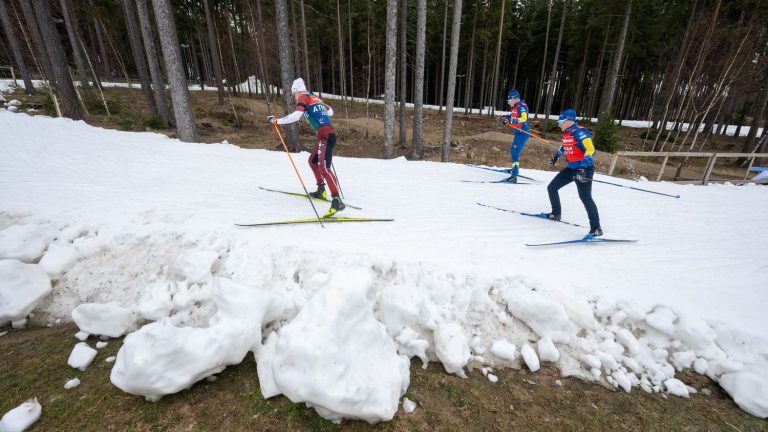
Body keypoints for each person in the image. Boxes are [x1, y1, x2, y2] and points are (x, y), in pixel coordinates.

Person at [267, 78, 344, 217]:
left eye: (293, 94)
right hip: (326, 135)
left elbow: (296, 116)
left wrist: (278, 121)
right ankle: (321, 190)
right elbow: (331, 111)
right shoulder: (314, 98)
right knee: (312, 161)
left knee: (324, 168)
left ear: (297, 91)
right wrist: (320, 107)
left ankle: (336, 200)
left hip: (325, 136)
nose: (295, 97)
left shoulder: (303, 97)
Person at [545, 109, 602, 237]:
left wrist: (582, 168)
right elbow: (564, 146)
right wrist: (556, 157)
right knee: (552, 187)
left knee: (585, 197)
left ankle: (596, 228)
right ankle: (556, 214)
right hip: (571, 168)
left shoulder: (580, 133)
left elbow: (590, 149)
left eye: (561, 121)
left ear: (569, 121)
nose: (558, 124)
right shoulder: (566, 133)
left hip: (584, 169)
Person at [497, 89, 530, 183]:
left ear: (515, 99)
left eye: (509, 100)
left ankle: (514, 176)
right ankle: (514, 169)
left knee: (514, 152)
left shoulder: (521, 107)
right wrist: (504, 118)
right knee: (513, 151)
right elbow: (512, 116)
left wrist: (510, 121)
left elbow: (523, 118)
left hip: (523, 134)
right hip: (518, 133)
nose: (508, 103)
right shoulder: (515, 107)